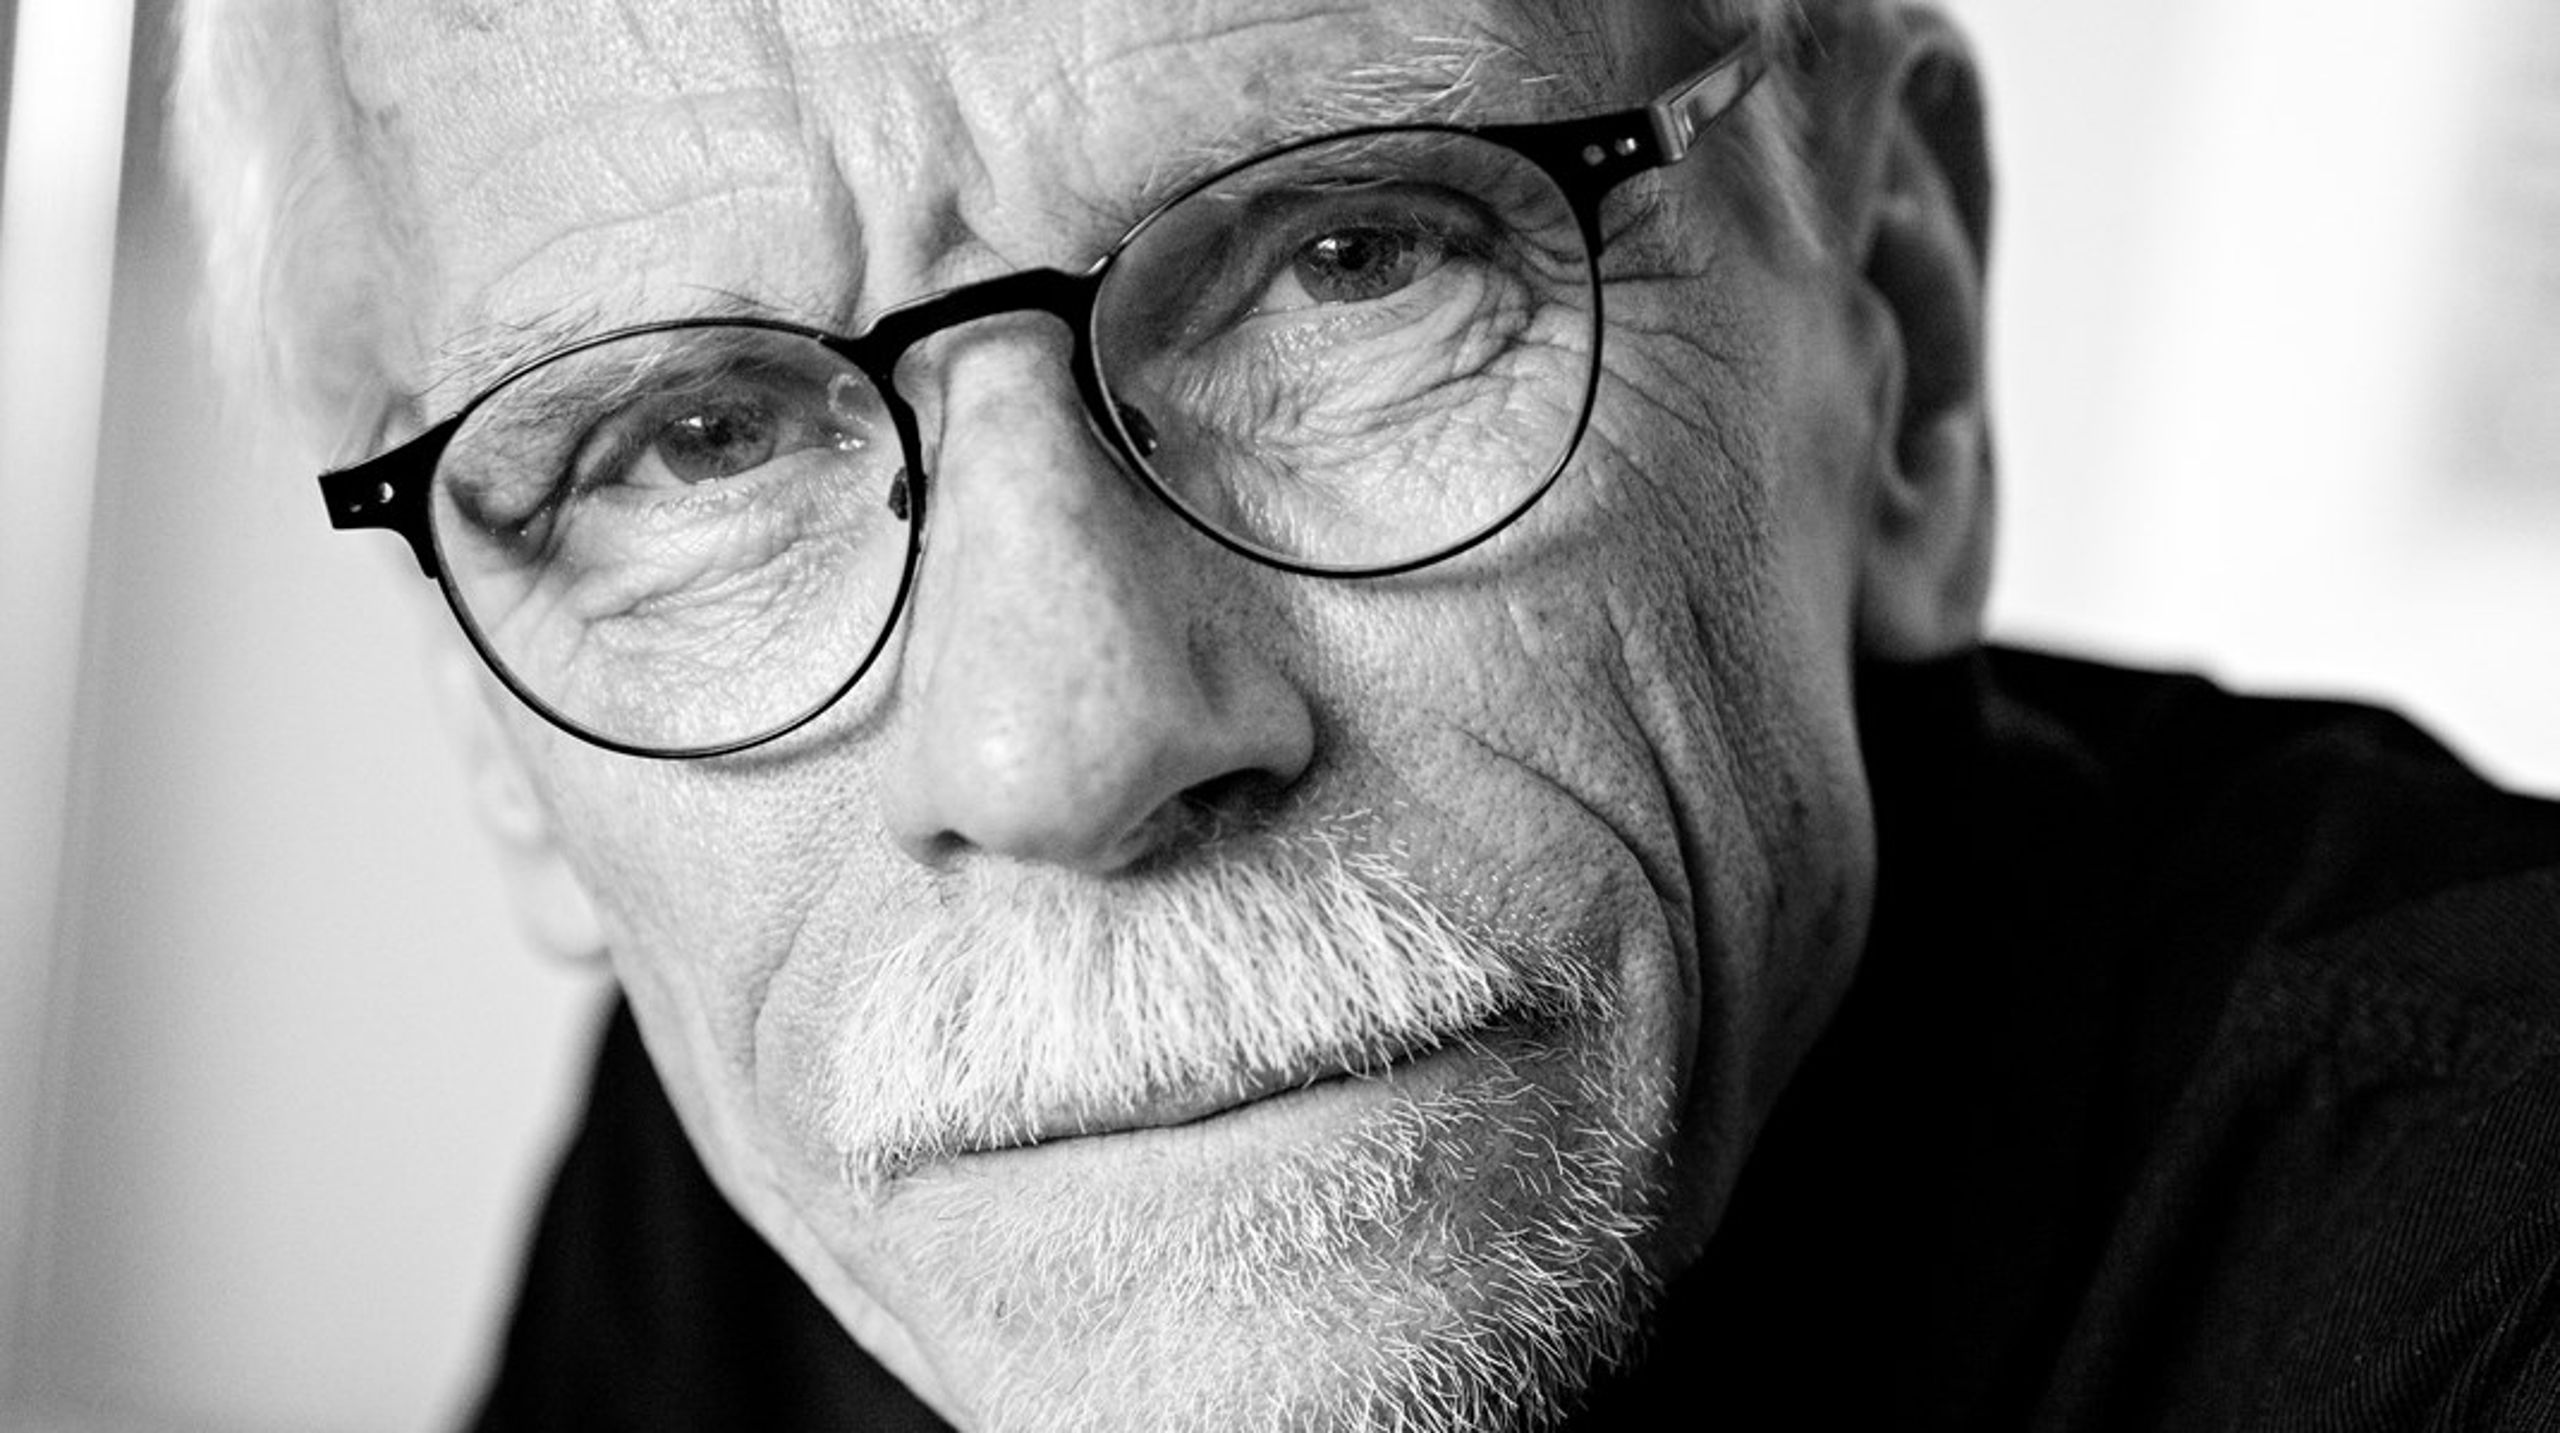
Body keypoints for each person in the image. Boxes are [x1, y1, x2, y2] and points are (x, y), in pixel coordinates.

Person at [172, 0, 2560, 1428]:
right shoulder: (807, 1144)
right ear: (491, 730)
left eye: (1349, 261)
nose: (1052, 757)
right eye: (690, 446)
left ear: (1894, 350)